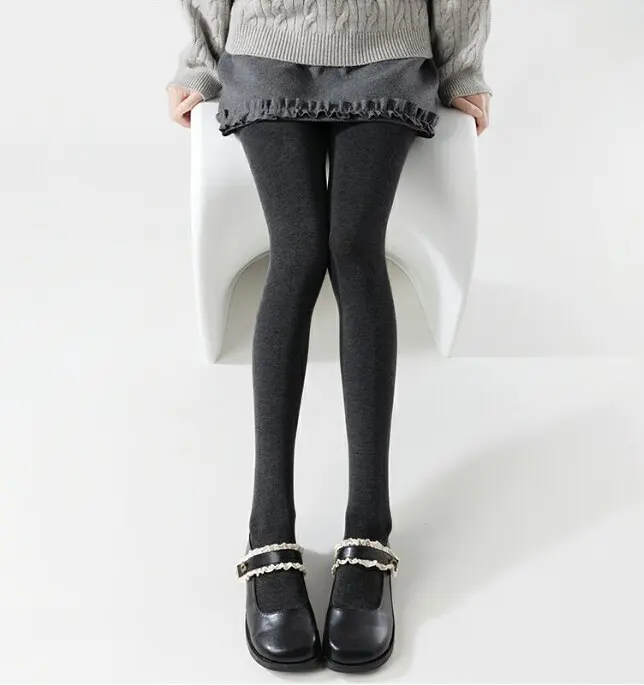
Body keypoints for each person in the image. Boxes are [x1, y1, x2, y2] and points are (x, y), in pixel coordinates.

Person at [167, 0, 491, 672]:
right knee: (297, 249)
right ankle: (268, 527)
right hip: (265, 49)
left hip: (387, 52)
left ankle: (369, 523)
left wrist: (461, 69)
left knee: (353, 245)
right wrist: (200, 59)